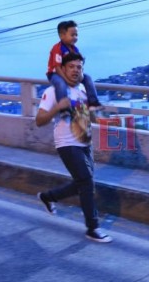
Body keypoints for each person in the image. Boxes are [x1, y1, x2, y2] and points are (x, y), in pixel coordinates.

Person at [36, 52, 112, 243]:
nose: (76, 71)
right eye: (71, 67)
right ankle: (92, 227)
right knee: (86, 182)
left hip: (85, 142)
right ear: (62, 69)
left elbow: (86, 116)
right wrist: (57, 108)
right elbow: (39, 120)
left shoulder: (83, 91)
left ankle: (48, 197)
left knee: (81, 183)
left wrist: (97, 116)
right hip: (67, 143)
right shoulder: (53, 92)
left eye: (79, 67)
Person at [47, 20, 102, 116]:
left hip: (70, 73)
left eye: (76, 35)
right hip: (55, 73)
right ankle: (64, 109)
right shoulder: (57, 48)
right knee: (60, 84)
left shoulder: (75, 49)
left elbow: (79, 64)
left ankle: (93, 102)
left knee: (87, 78)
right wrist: (67, 80)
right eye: (72, 35)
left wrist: (80, 76)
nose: (75, 38)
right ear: (62, 36)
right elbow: (57, 67)